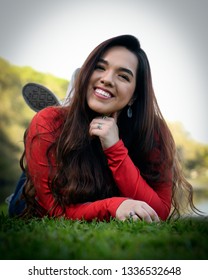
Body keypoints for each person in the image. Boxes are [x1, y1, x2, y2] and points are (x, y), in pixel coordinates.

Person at [9, 34, 200, 222]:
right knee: (34, 170)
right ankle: (70, 104)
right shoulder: (48, 121)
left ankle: (77, 97)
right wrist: (113, 205)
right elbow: (54, 210)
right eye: (99, 67)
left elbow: (158, 212)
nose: (107, 79)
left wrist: (114, 147)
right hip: (34, 195)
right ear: (87, 74)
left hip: (96, 186)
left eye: (123, 76)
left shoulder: (153, 132)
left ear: (134, 96)